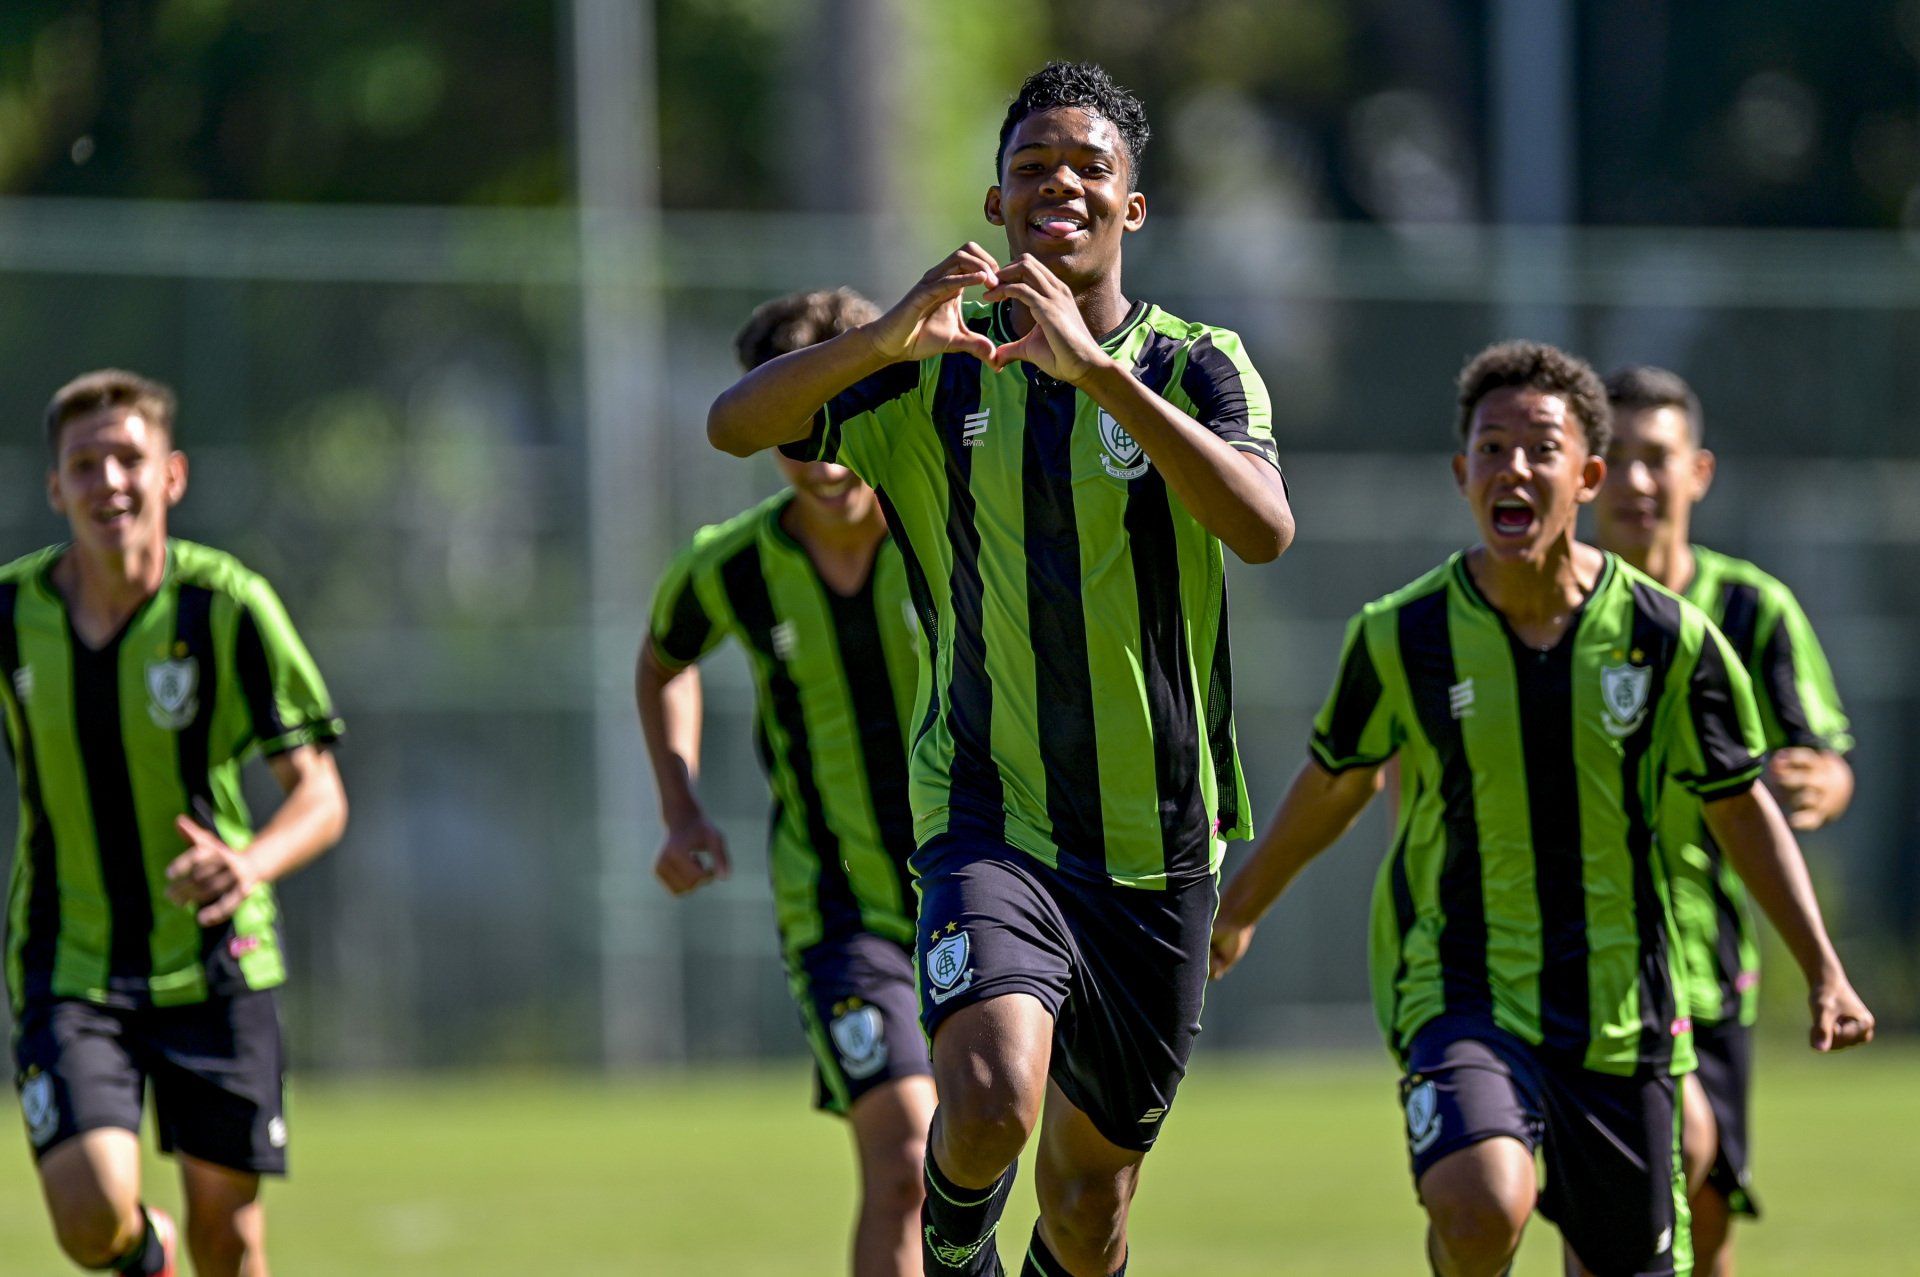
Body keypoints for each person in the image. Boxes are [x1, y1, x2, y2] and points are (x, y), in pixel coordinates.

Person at [706, 62, 1292, 1277]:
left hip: (1160, 842)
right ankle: (957, 1252)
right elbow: (736, 422)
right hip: (989, 815)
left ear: (1133, 205)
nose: (1059, 185)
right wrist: (876, 338)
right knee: (981, 1103)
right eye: (1032, 167)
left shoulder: (1195, 363)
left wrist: (1099, 375)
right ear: (996, 202)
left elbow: (1262, 525)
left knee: (1087, 1207)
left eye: (1090, 167)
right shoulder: (933, 370)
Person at [1209, 341, 1872, 1277]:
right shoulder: (1401, 635)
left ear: (1585, 475)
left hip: (1622, 1011)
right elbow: (1333, 782)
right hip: (1460, 988)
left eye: (1540, 447)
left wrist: (1824, 968)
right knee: (1480, 1203)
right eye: (1491, 448)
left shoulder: (1671, 639)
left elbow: (1741, 809)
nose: (1513, 466)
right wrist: (1240, 908)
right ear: (1461, 472)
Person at [2, 370, 349, 1277]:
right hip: (69, 958)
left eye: (128, 457)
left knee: (227, 1234)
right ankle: (144, 1255)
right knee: (89, 1218)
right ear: (55, 488)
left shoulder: (225, 606)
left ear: (172, 475)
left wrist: (249, 861)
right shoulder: (12, 616)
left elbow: (320, 794)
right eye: (85, 463)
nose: (108, 480)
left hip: (216, 961)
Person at [639, 288, 935, 1277]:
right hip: (839, 911)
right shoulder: (733, 566)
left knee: (1012, 1155)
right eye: (799, 433)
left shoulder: (947, 534)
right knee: (903, 1162)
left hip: (985, 891)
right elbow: (663, 658)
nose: (828, 455)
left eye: (844, 418)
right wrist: (680, 803)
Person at [1594, 365, 1854, 1274]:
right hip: (1575, 949)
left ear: (1696, 472)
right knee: (1628, 1183)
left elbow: (1820, 753)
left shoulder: (1750, 608)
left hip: (1705, 959)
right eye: (1614, 457)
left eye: (1655, 458)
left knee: (1706, 1203)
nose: (1634, 481)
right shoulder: (1547, 604)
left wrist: (1819, 783)